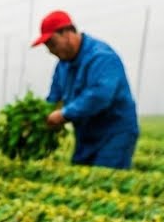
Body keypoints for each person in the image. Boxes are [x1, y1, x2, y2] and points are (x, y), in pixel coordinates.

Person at [32, 10, 139, 169]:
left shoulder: (102, 57)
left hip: (114, 134)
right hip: (86, 135)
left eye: (52, 44)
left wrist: (63, 115)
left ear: (67, 33)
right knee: (81, 178)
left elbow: (99, 96)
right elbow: (54, 98)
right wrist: (40, 117)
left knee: (103, 184)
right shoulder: (63, 65)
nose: (50, 51)